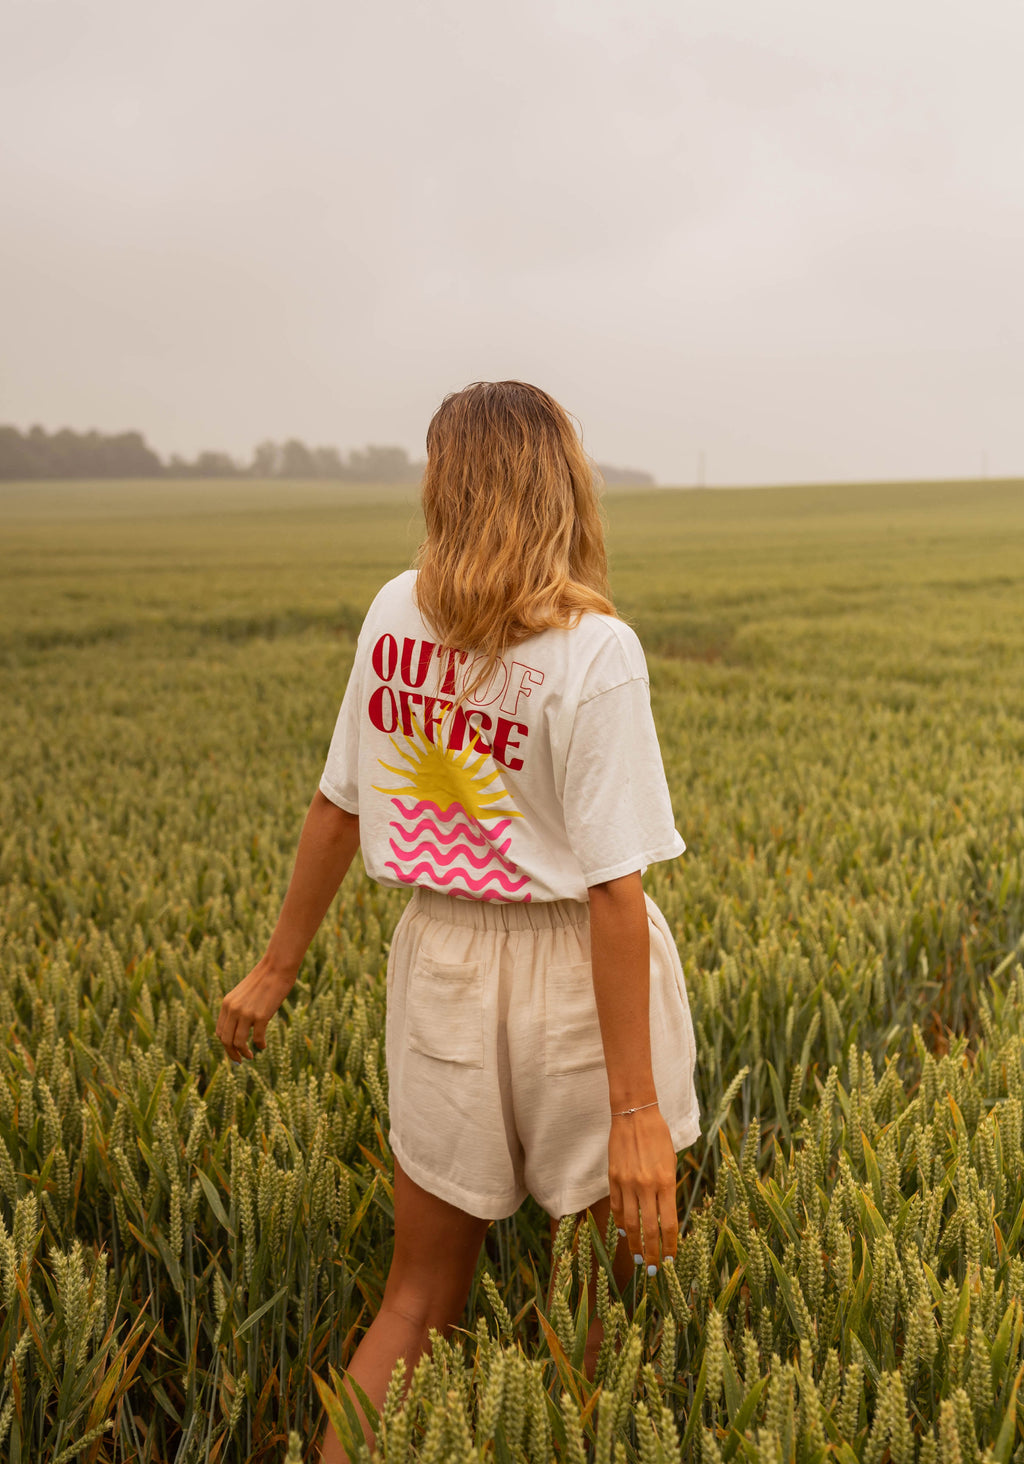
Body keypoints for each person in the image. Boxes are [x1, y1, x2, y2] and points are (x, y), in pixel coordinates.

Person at [215, 380, 700, 1463]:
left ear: (447, 484)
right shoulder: (591, 647)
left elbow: (338, 805)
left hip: (438, 966)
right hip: (577, 981)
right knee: (596, 1322)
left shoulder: (395, 612)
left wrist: (273, 972)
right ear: (561, 480)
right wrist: (634, 1112)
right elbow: (614, 891)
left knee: (415, 1305)